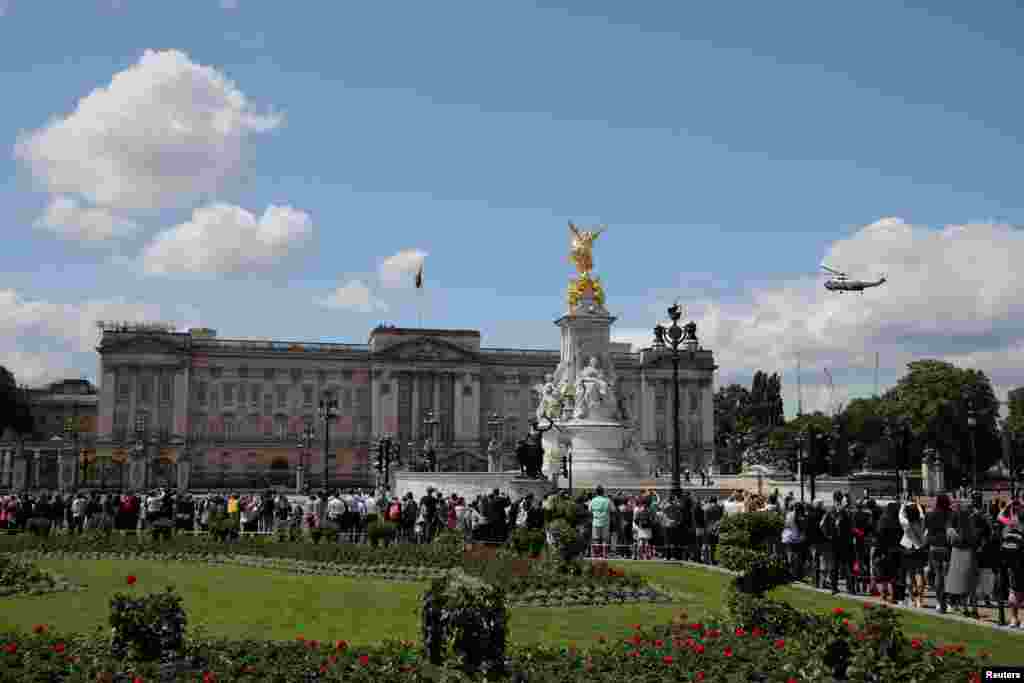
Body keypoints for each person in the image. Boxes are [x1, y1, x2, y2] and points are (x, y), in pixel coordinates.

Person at [588, 486, 613, 559]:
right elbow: (613, 509)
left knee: (596, 539)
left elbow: (589, 510)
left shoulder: (593, 500)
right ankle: (604, 555)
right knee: (605, 539)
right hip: (605, 521)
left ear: (596, 492)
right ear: (603, 492)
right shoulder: (607, 500)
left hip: (596, 521)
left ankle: (597, 554)